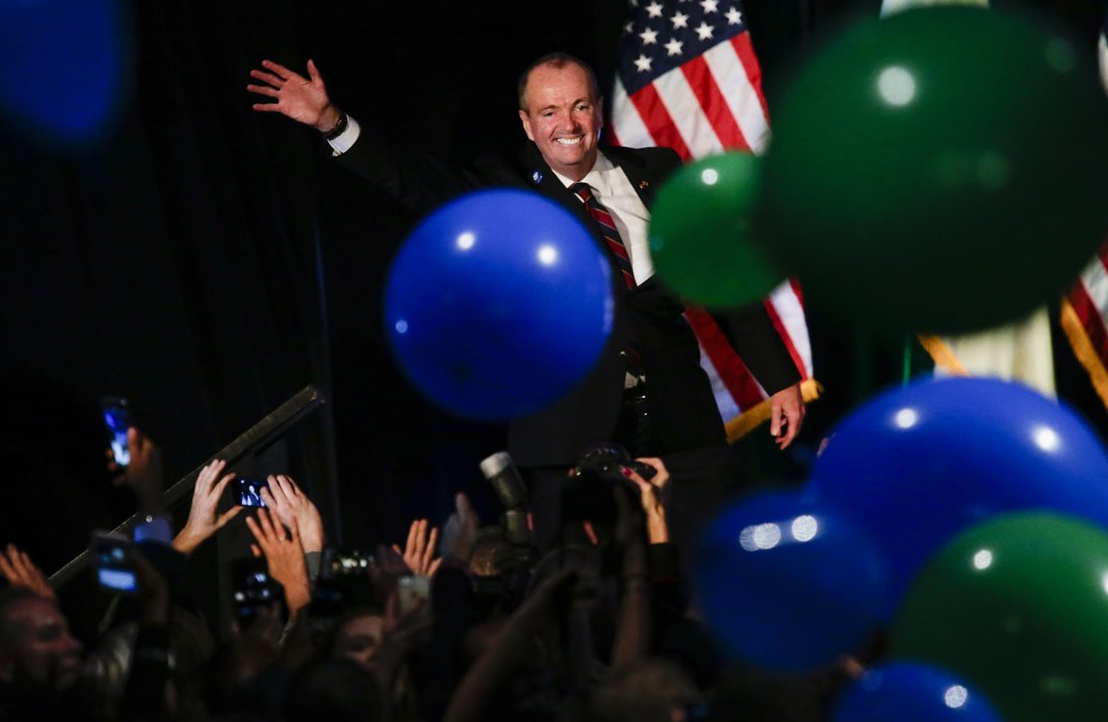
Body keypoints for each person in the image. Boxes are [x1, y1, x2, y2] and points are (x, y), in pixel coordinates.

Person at [247, 53, 805, 553]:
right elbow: (412, 181)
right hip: (572, 440)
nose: (568, 125)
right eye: (550, 112)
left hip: (684, 430)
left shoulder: (656, 171)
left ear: (598, 111)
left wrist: (779, 379)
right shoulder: (509, 190)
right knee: (595, 605)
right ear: (527, 124)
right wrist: (330, 122)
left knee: (709, 573)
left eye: (580, 106)